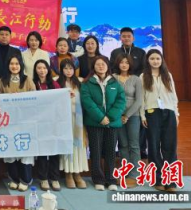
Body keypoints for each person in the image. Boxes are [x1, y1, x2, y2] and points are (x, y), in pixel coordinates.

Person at [81, 56, 125, 191]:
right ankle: (98, 179)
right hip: (94, 123)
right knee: (96, 152)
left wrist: (110, 117)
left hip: (112, 123)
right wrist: (100, 117)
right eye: (98, 64)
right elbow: (87, 102)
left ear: (107, 66)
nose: (101, 66)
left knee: (111, 152)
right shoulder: (87, 83)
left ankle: (110, 179)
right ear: (93, 67)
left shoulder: (115, 83)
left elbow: (121, 101)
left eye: (103, 64)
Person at [140, 49, 179, 192]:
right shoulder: (143, 76)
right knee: (154, 147)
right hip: (151, 113)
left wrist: (176, 113)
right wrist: (142, 116)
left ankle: (171, 181)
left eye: (158, 58)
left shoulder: (167, 75)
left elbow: (173, 95)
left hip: (169, 112)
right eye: (152, 58)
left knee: (170, 147)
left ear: (162, 60)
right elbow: (141, 98)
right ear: (147, 60)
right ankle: (158, 179)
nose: (155, 61)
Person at [0, 54, 36, 192]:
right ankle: (14, 179)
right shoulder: (2, 81)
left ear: (21, 65)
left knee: (24, 149)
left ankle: (25, 179)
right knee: (11, 150)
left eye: (17, 64)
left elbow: (35, 98)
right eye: (11, 64)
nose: (14, 66)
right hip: (8, 121)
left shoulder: (27, 80)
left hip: (25, 121)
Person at [110, 27, 147, 157]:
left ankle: (141, 151)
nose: (126, 38)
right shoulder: (115, 52)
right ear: (120, 38)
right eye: (123, 36)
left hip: (136, 85)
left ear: (133, 38)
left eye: (128, 36)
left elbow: (144, 69)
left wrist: (133, 79)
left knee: (135, 136)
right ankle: (123, 161)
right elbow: (112, 67)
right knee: (123, 142)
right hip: (119, 90)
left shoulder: (140, 52)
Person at [112, 54, 142, 189]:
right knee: (123, 144)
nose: (124, 65)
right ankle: (126, 172)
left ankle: (135, 175)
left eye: (127, 62)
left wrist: (127, 115)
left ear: (130, 65)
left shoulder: (136, 79)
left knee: (134, 144)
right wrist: (118, 115)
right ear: (118, 64)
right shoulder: (113, 78)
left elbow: (139, 100)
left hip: (133, 116)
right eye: (121, 62)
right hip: (117, 116)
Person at [57, 59, 88, 189]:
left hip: (79, 120)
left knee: (78, 146)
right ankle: (68, 174)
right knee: (67, 144)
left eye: (70, 68)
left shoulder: (80, 82)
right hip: (64, 120)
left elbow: (86, 100)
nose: (68, 71)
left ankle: (77, 174)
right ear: (61, 70)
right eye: (65, 68)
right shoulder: (57, 82)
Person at [32, 60, 61, 191]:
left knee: (54, 149)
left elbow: (61, 99)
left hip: (53, 121)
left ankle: (54, 178)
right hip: (38, 122)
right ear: (35, 70)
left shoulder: (54, 84)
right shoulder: (32, 83)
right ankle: (43, 178)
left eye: (44, 68)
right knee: (42, 151)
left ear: (48, 70)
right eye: (39, 68)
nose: (42, 70)